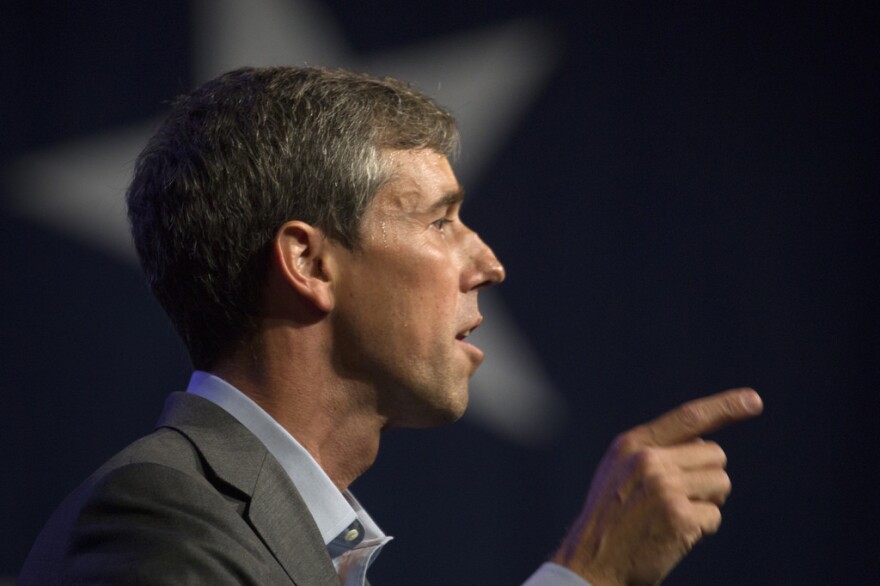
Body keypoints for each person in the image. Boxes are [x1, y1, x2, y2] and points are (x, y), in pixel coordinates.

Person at [19, 66, 763, 585]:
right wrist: (586, 575)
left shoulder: (303, 535)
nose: (490, 263)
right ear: (309, 263)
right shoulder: (157, 518)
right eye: (441, 221)